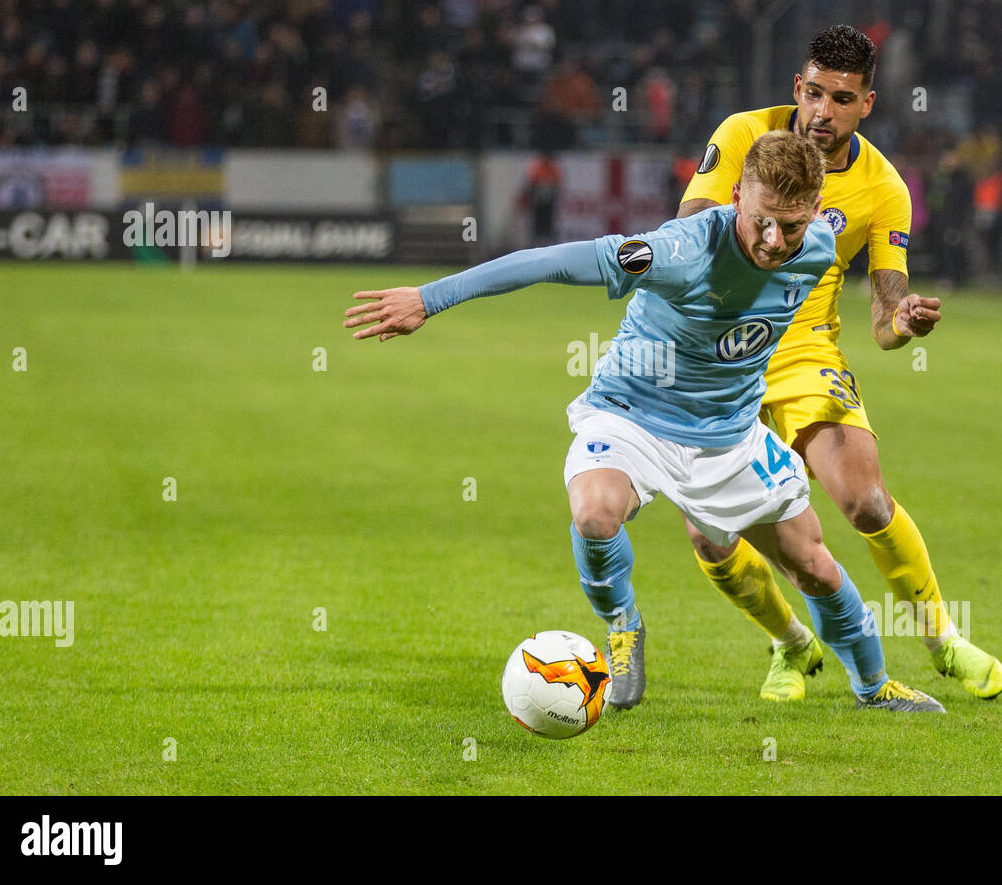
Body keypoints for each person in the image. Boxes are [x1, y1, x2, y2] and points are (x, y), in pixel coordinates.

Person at [343, 130, 944, 713]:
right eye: (761, 218)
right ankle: (623, 625)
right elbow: (551, 261)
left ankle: (874, 687)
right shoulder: (679, 252)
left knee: (814, 566)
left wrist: (899, 321)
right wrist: (430, 298)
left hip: (728, 434)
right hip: (633, 413)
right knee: (595, 512)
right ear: (736, 195)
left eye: (790, 224)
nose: (770, 240)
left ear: (817, 211)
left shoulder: (815, 250)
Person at [670, 25, 1002, 704]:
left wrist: (903, 320)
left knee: (863, 497)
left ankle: (944, 640)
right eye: (815, 93)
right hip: (713, 349)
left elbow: (884, 323)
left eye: (842, 99)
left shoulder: (883, 188)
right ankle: (791, 646)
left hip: (800, 350)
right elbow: (689, 229)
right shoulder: (742, 135)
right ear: (797, 86)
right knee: (710, 535)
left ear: (868, 104)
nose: (823, 112)